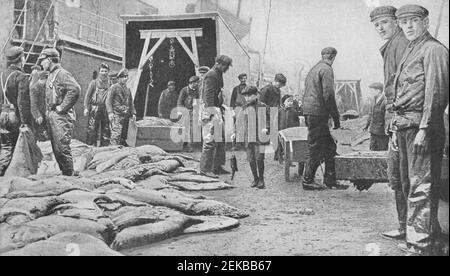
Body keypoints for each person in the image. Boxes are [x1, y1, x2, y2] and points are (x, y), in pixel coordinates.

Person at [391, 5, 449, 256]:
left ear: (425, 21)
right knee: (407, 185)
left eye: (414, 20)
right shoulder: (412, 49)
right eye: (404, 22)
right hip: (405, 127)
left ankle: (420, 246)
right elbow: (401, 94)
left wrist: (425, 128)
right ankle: (430, 239)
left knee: (421, 188)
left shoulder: (434, 49)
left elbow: (436, 94)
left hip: (422, 127)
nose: (409, 26)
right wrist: (395, 128)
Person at [370, 5, 410, 242]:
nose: (380, 28)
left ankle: (408, 228)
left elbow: (398, 86)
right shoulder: (393, 45)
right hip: (399, 117)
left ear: (396, 21)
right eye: (376, 25)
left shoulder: (401, 43)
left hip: (402, 118)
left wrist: (392, 118)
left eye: (385, 22)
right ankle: (406, 226)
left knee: (403, 177)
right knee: (399, 176)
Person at [302, 47, 348, 191]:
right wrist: (336, 117)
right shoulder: (327, 69)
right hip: (318, 113)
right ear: (333, 57)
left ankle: (330, 181)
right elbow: (328, 95)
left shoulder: (313, 69)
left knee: (330, 146)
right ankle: (307, 181)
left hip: (310, 112)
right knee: (315, 146)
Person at [38, 48, 80, 176]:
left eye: (43, 60)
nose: (41, 64)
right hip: (53, 115)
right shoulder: (51, 74)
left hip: (62, 117)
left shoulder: (62, 74)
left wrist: (62, 107)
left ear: (50, 60)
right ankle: (66, 173)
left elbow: (75, 89)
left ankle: (69, 174)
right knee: (56, 148)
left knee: (62, 147)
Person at [0, 46, 33, 175]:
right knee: (12, 149)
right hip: (14, 116)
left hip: (2, 114)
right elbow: (22, 102)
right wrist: (25, 122)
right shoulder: (21, 76)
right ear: (21, 59)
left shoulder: (2, 75)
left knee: (4, 147)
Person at [199, 55, 233, 177]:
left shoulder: (217, 73)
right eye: (226, 66)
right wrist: (213, 113)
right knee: (210, 140)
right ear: (218, 63)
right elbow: (208, 96)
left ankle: (217, 166)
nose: (227, 69)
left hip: (216, 109)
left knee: (220, 139)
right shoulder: (211, 75)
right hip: (210, 110)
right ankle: (205, 169)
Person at [237, 86, 270, 189]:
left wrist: (267, 128)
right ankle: (255, 178)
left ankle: (261, 179)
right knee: (251, 159)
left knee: (259, 158)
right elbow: (239, 122)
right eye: (245, 96)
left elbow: (269, 119)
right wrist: (235, 132)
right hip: (248, 137)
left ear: (256, 95)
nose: (247, 98)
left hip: (260, 138)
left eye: (250, 95)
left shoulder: (263, 106)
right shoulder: (244, 107)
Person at [106, 69, 136, 146]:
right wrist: (110, 113)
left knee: (124, 135)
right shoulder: (114, 87)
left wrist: (133, 113)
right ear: (118, 78)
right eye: (123, 77)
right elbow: (108, 101)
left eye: (126, 77)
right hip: (116, 114)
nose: (125, 79)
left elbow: (130, 102)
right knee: (116, 134)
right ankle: (113, 150)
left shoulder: (127, 89)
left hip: (125, 115)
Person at [84, 63, 111, 147]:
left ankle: (104, 147)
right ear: (99, 72)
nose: (103, 73)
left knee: (106, 128)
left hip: (106, 108)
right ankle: (91, 146)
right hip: (95, 107)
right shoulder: (94, 83)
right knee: (92, 127)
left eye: (105, 71)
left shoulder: (111, 83)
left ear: (108, 72)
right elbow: (87, 96)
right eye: (102, 71)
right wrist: (86, 108)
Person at [275, 94, 301, 163]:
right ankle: (280, 157)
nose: (290, 103)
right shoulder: (280, 111)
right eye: (288, 101)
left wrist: (296, 129)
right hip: (281, 131)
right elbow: (276, 121)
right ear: (283, 102)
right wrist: (277, 130)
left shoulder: (294, 112)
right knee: (280, 145)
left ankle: (288, 160)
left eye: (291, 101)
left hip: (290, 132)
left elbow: (297, 121)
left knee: (289, 146)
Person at [363, 82, 389, 151]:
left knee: (382, 151)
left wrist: (387, 130)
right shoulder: (373, 100)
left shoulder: (385, 101)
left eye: (372, 91)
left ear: (378, 91)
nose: (371, 93)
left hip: (381, 133)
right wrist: (366, 126)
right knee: (372, 151)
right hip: (373, 131)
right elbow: (370, 114)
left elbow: (387, 118)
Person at [177, 76, 200, 151]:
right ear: (192, 83)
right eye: (196, 83)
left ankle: (191, 145)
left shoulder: (197, 90)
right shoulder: (184, 90)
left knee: (193, 129)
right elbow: (180, 102)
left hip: (194, 112)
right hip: (185, 111)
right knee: (185, 129)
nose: (197, 84)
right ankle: (184, 145)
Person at [29, 65, 48, 141]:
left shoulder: (43, 87)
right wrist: (37, 116)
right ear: (44, 78)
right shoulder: (35, 88)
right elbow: (33, 103)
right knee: (35, 134)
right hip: (37, 115)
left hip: (43, 114)